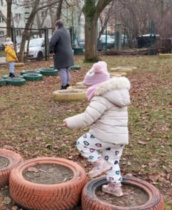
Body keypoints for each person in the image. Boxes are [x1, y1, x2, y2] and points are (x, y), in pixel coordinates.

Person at [62, 61, 131, 197]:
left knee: (82, 143)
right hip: (120, 137)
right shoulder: (119, 95)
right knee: (112, 161)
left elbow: (88, 117)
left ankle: (99, 164)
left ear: (96, 85)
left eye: (88, 85)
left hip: (105, 136)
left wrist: (69, 122)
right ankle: (115, 187)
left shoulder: (101, 97)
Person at [49, 20, 74, 90]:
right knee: (67, 70)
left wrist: (51, 51)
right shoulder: (66, 32)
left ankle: (64, 86)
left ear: (57, 26)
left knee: (62, 70)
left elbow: (52, 42)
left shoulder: (57, 32)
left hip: (61, 54)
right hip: (69, 54)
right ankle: (67, 84)